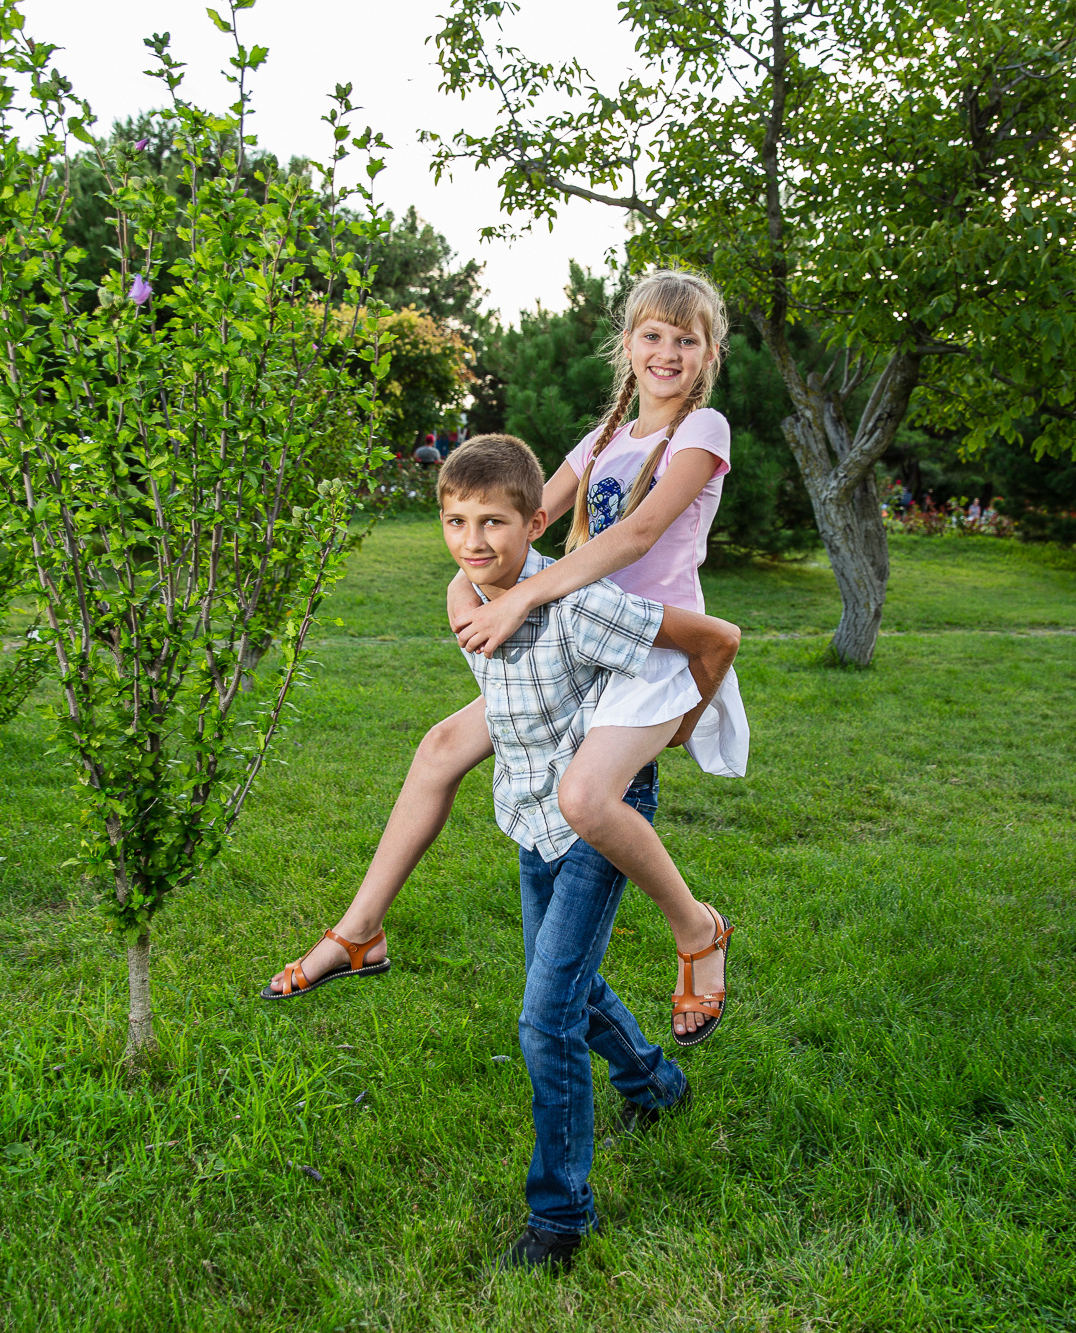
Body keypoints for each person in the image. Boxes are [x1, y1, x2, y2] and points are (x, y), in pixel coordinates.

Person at [277, 436, 739, 1270]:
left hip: (601, 818)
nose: (474, 541)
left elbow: (715, 640)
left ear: (537, 522)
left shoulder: (582, 602)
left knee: (544, 1016)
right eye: (456, 521)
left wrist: (674, 731)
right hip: (529, 819)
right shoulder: (466, 597)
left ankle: (562, 1217)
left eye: (495, 522)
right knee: (564, 985)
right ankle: (658, 1086)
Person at [265, 269, 747, 1044]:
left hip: (648, 645)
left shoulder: (701, 429)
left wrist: (522, 597)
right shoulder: (601, 441)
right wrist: (468, 579)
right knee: (439, 747)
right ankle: (360, 930)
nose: (667, 351)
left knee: (586, 800)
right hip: (580, 638)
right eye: (652, 334)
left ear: (709, 351)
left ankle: (697, 930)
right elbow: (519, 520)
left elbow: (635, 535)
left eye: (685, 339)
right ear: (627, 343)